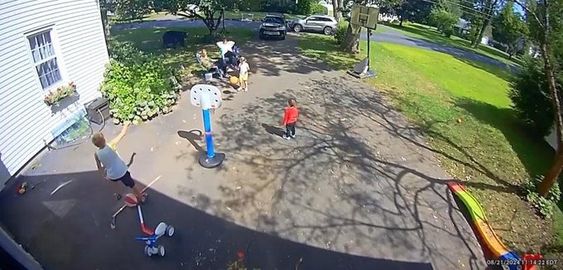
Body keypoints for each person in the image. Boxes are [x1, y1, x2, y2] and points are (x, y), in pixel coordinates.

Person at [92, 122, 146, 202]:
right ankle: (141, 197)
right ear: (104, 139)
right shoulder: (111, 145)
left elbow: (99, 167)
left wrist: (104, 175)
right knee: (132, 185)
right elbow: (122, 134)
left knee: (115, 183)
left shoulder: (96, 154)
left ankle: (118, 194)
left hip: (112, 175)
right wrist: (126, 125)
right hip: (122, 171)